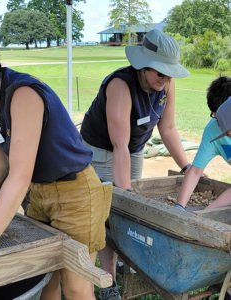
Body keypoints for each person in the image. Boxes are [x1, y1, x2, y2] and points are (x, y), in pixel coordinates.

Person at [0, 29, 112, 300]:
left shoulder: (23, 93)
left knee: (76, 287)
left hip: (77, 192)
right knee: (45, 276)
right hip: (39, 193)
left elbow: (19, 174)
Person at [80, 29, 191, 300]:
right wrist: (126, 195)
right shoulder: (121, 85)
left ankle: (121, 264)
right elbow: (119, 145)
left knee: (124, 212)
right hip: (101, 152)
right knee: (110, 214)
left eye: (169, 73)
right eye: (160, 73)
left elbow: (168, 127)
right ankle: (107, 283)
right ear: (142, 66)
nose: (165, 79)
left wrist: (187, 167)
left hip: (135, 150)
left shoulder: (166, 84)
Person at [176, 77, 231, 210]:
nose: (219, 123)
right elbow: (195, 171)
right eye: (215, 116)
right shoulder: (212, 130)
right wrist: (180, 207)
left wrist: (208, 212)